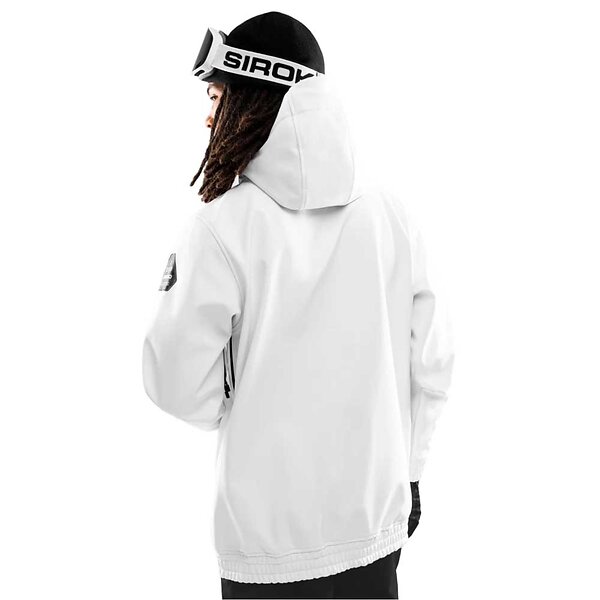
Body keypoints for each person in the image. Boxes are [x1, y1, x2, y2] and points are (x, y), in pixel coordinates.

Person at [142, 11, 454, 600]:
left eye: (217, 96)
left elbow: (175, 384)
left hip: (264, 553)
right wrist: (411, 473)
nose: (208, 115)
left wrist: (238, 394)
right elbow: (433, 364)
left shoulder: (219, 228)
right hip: (375, 532)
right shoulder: (392, 215)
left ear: (253, 98)